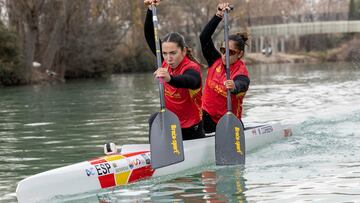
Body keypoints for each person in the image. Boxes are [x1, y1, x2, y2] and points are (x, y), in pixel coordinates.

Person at [144, 0, 205, 140]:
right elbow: (149, 35)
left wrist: (170, 78)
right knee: (154, 118)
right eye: (165, 53)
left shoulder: (191, 68)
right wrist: (149, 10)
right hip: (170, 125)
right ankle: (154, 152)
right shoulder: (164, 62)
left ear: (183, 51)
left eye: (173, 53)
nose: (168, 58)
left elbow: (190, 80)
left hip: (191, 129)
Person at [200, 3, 250, 133]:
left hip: (229, 121)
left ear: (240, 54)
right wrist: (218, 15)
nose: (225, 55)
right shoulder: (214, 60)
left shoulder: (241, 72)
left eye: (231, 52)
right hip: (207, 118)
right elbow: (204, 37)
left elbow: (242, 84)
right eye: (223, 50)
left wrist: (234, 86)